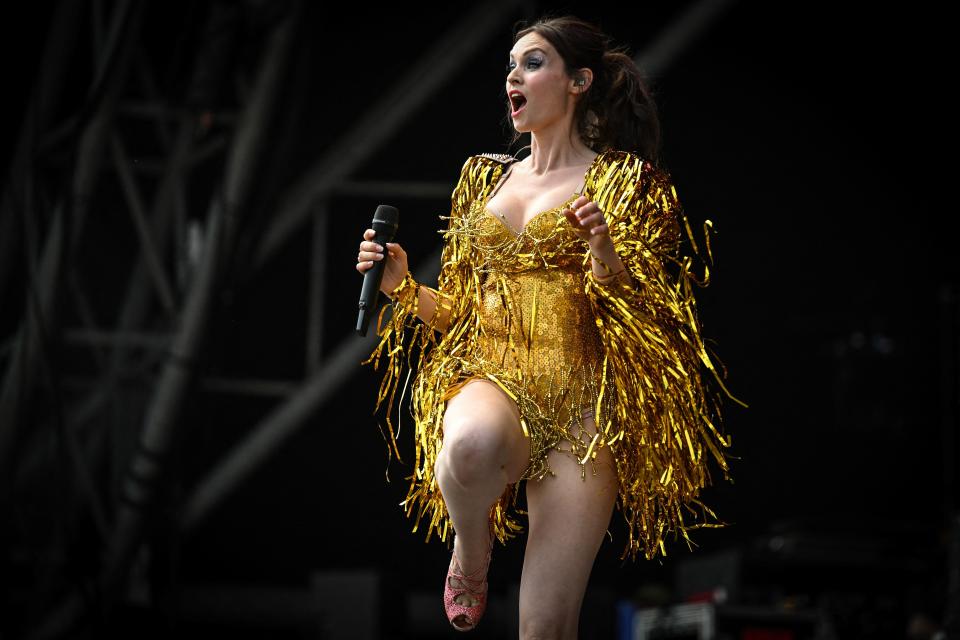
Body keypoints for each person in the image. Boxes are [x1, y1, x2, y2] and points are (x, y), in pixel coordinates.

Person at [356, 14, 745, 636]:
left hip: (584, 412)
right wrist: (403, 286)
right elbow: (457, 315)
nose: (514, 74)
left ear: (578, 82)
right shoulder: (482, 177)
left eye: (532, 62)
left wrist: (605, 254)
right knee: (471, 444)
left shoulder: (625, 183)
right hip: (492, 375)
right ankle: (472, 549)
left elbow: (648, 316)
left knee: (546, 626)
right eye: (510, 64)